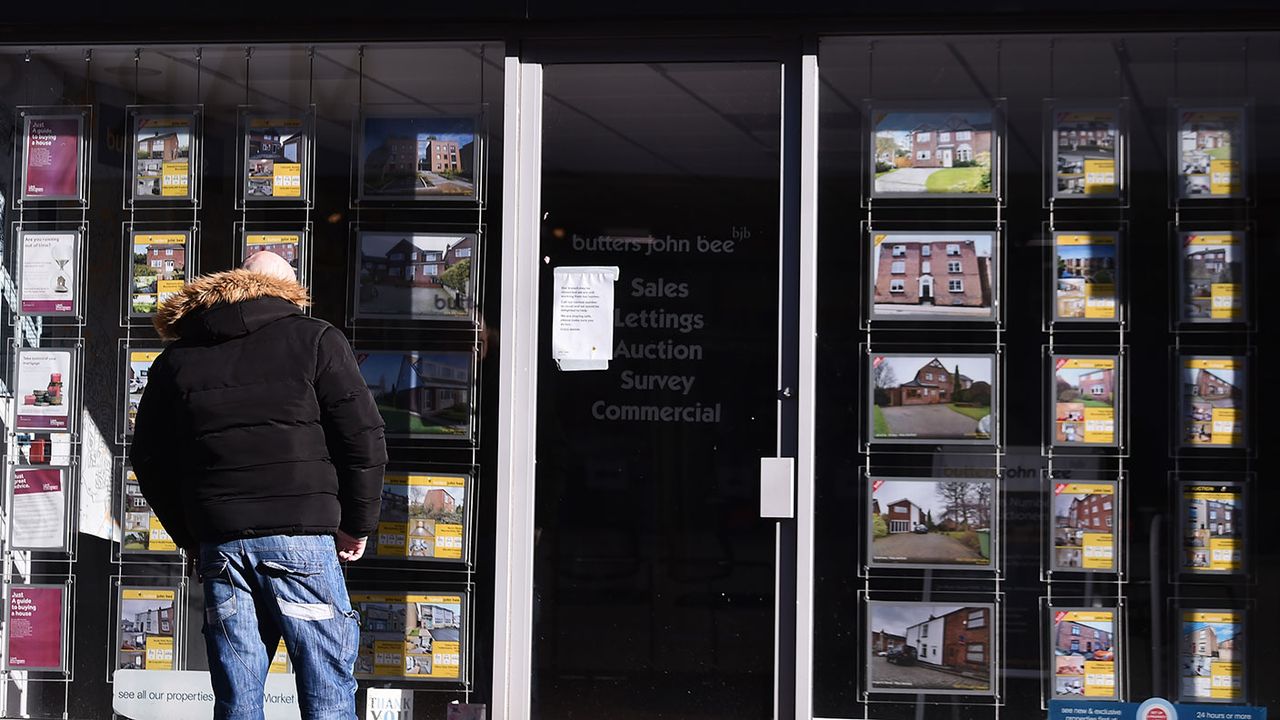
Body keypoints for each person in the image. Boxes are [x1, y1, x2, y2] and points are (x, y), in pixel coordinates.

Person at [130, 251, 387, 720]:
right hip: (303, 542)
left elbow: (149, 460)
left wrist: (193, 535)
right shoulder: (315, 339)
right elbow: (363, 439)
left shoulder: (178, 359)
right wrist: (357, 523)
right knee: (327, 688)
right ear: (289, 291)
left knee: (237, 694)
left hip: (223, 544)